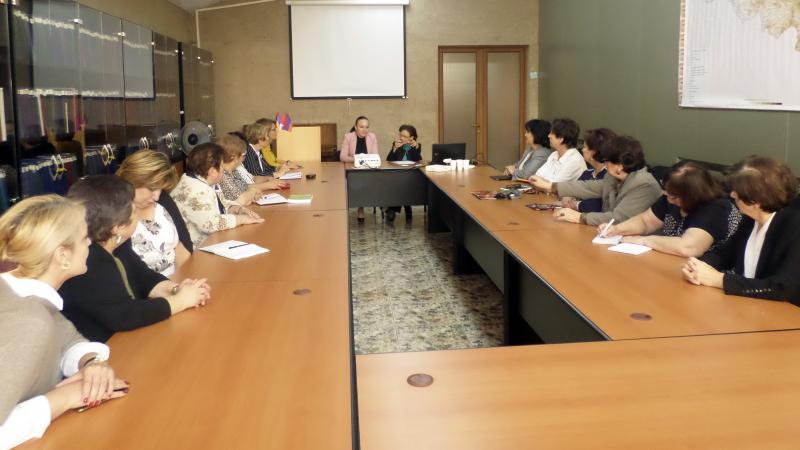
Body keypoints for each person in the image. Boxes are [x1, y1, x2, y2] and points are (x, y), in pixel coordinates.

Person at [0, 195, 128, 448]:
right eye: (84, 238)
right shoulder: (29, 321)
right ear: (62, 256)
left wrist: (92, 363)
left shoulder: (20, 291)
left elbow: (66, 337)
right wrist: (63, 398)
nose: (90, 242)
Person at [58, 175, 210, 343]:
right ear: (118, 227)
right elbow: (124, 314)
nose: (137, 215)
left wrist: (175, 289)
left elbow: (143, 276)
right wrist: (180, 301)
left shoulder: (117, 243)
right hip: (104, 347)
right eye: (134, 211)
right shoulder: (86, 262)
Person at [683, 156, 800, 305]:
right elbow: (724, 253)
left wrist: (719, 280)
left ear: (756, 201)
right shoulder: (751, 219)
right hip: (749, 304)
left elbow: (782, 288)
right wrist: (698, 267)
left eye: (737, 191)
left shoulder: (794, 227)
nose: (732, 194)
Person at [599, 163, 742, 257]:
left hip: (707, 272)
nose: (669, 200)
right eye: (667, 194)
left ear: (692, 195)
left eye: (674, 197)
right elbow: (646, 221)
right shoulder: (672, 197)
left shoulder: (716, 208)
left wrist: (644, 240)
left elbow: (688, 247)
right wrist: (617, 229)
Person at [529, 135, 662, 225]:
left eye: (607, 161)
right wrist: (550, 186)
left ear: (619, 166)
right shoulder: (614, 177)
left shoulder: (644, 184)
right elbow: (588, 187)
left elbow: (618, 218)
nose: (605, 164)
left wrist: (580, 217)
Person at [171, 143, 265, 247]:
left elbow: (220, 204)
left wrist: (238, 209)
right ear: (212, 171)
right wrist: (242, 219)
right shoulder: (195, 190)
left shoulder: (201, 181)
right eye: (222, 167)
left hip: (213, 241)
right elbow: (211, 224)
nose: (223, 170)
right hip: (197, 250)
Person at [116, 150, 190, 276]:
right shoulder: (113, 214)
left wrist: (183, 279)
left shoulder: (163, 200)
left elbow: (182, 245)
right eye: (151, 189)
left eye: (160, 189)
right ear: (132, 180)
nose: (156, 197)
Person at [217, 134, 287, 205]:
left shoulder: (234, 171)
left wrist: (254, 191)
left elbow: (245, 187)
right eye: (243, 155)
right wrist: (253, 192)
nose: (244, 158)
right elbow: (239, 198)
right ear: (233, 157)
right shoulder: (222, 175)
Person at [563, 128, 617, 213]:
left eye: (585, 147)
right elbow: (572, 191)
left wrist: (576, 205)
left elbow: (597, 207)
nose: (582, 150)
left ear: (594, 152)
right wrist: (568, 197)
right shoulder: (587, 173)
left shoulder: (610, 177)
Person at [340, 116, 379, 222]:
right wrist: (358, 159)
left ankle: (362, 207)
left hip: (368, 169)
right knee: (358, 179)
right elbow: (342, 157)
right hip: (353, 169)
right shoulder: (348, 137)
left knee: (368, 179)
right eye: (361, 127)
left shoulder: (372, 137)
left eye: (366, 127)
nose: (364, 129)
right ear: (356, 127)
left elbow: (375, 155)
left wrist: (364, 160)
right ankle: (359, 207)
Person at [527, 117, 586, 183]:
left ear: (561, 139)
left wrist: (541, 181)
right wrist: (541, 180)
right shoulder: (554, 154)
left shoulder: (574, 161)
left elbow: (554, 186)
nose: (548, 136)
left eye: (552, 133)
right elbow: (537, 175)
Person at [385, 124, 422, 223]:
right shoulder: (396, 144)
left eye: (405, 136)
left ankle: (392, 209)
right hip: (398, 174)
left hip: (411, 175)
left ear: (411, 138)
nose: (401, 138)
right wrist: (394, 148)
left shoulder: (416, 146)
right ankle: (406, 208)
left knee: (401, 185)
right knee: (399, 184)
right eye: (401, 135)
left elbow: (418, 160)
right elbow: (389, 160)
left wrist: (415, 148)